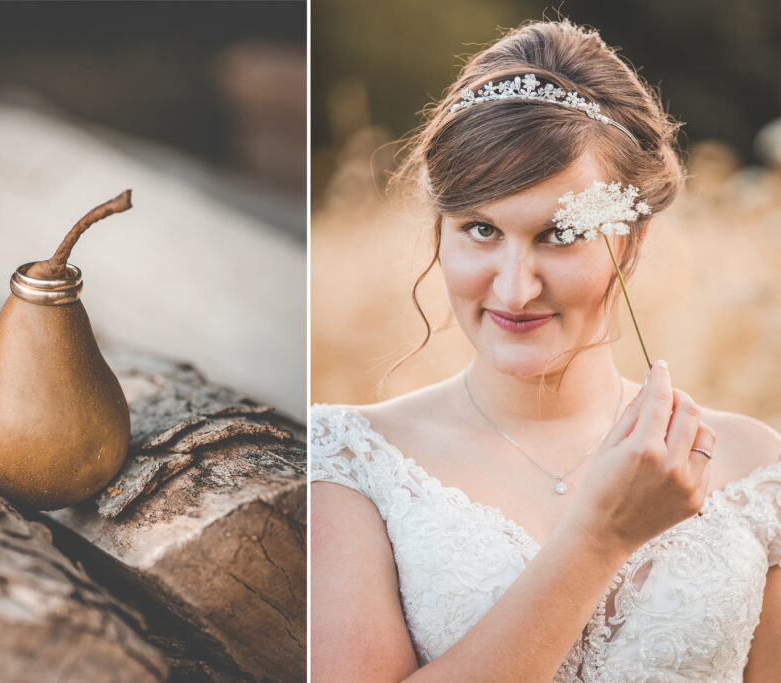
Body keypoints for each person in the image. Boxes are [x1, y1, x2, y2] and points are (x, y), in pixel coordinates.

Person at [310, 19, 781, 682]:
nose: (514, 288)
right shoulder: (349, 465)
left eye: (559, 234)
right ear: (440, 231)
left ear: (631, 239)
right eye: (480, 229)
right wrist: (599, 538)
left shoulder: (754, 468)